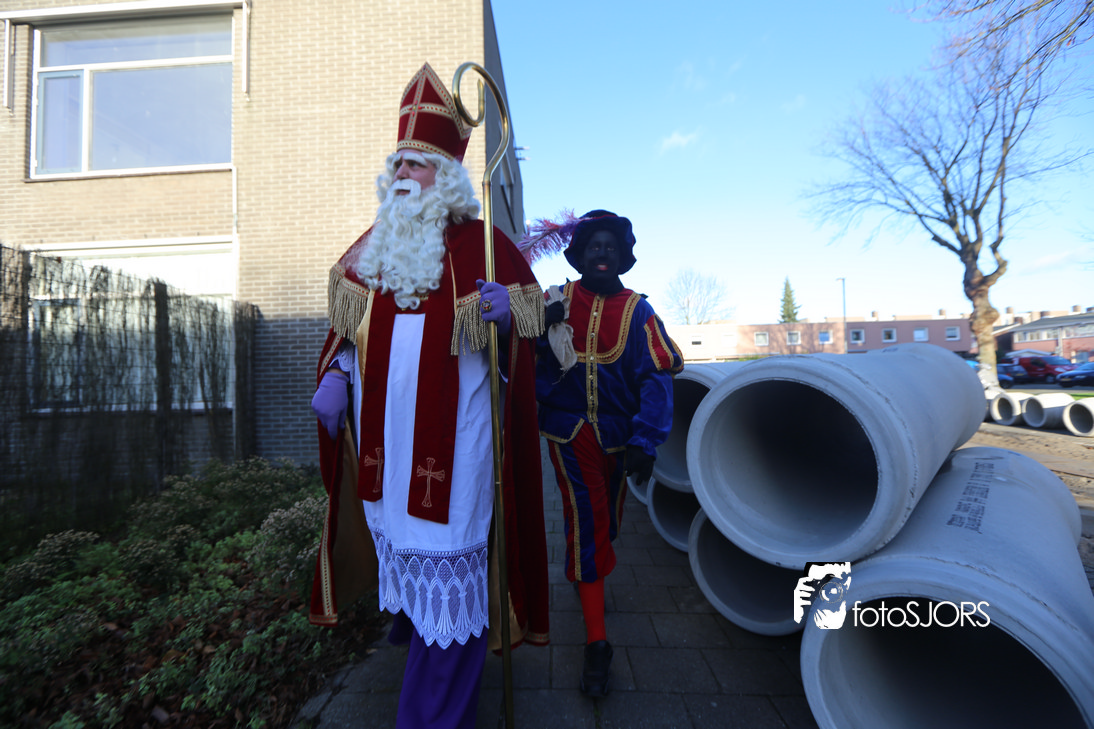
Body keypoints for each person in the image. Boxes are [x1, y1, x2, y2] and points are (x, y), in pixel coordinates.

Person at [307, 63, 550, 728]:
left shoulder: (485, 249)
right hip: (387, 464)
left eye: (417, 165)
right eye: (398, 164)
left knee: (449, 603)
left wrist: (510, 316)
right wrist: (336, 375)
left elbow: (535, 335)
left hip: (454, 460)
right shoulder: (372, 251)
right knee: (418, 596)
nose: (403, 175)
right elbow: (348, 337)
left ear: (446, 178)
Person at [533, 210, 683, 697]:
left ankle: (589, 573)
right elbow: (522, 356)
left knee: (607, 524)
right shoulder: (554, 300)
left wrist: (646, 440)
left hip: (620, 439)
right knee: (588, 523)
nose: (602, 253)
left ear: (623, 257)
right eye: (593, 246)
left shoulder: (639, 311)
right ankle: (597, 645)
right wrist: (537, 331)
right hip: (568, 432)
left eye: (610, 247)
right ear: (578, 255)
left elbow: (657, 376)